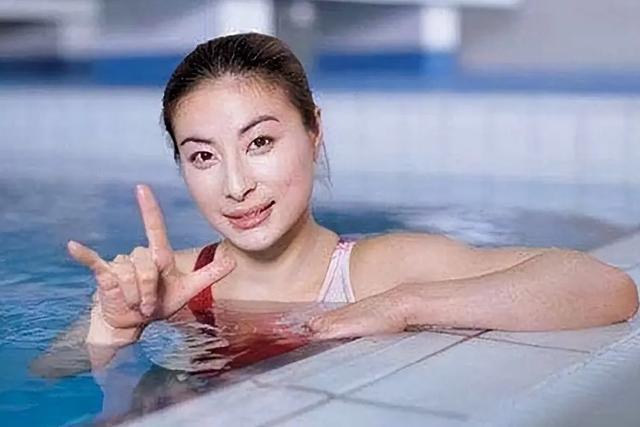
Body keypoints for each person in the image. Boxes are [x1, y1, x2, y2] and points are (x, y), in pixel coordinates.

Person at [62, 32, 637, 370]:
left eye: (260, 143)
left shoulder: (377, 271)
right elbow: (51, 376)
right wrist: (113, 327)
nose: (236, 186)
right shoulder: (171, 283)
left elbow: (606, 287)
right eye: (203, 156)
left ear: (314, 133)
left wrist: (401, 306)